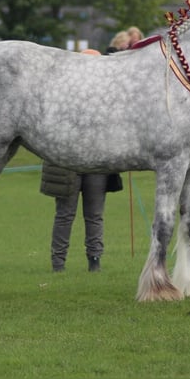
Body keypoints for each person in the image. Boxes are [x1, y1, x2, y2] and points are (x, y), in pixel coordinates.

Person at [41, 48, 110, 272]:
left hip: (98, 160)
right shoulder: (61, 91)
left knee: (95, 215)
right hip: (66, 161)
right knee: (65, 214)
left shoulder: (108, 95)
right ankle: (58, 264)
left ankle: (95, 261)